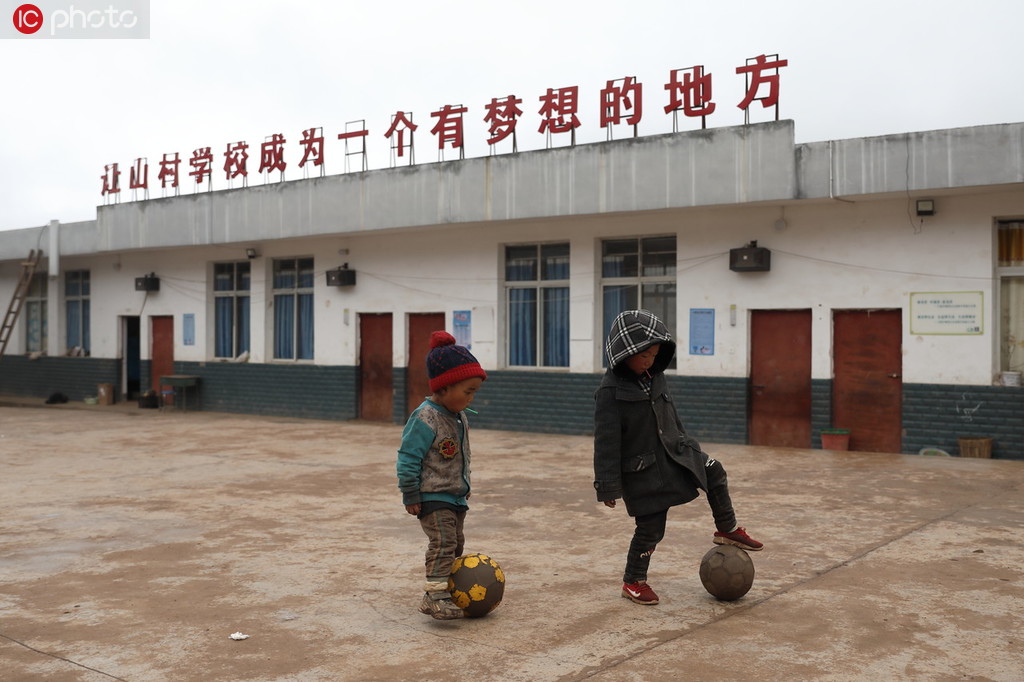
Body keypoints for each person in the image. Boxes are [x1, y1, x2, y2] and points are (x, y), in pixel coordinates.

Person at [593, 309, 763, 606]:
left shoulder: (656, 377)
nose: (649, 361)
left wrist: (689, 445)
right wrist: (607, 486)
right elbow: (606, 443)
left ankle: (727, 528)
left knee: (715, 471)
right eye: (643, 356)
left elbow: (671, 416)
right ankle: (633, 580)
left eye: (654, 355)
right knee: (651, 529)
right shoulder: (610, 393)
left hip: (677, 452)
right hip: (644, 470)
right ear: (623, 353)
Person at [397, 330, 487, 620]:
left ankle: (448, 589)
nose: (472, 397)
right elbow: (408, 457)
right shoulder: (425, 417)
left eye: (475, 391)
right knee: (444, 542)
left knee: (456, 545)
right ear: (445, 387)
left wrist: (465, 485)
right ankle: (434, 596)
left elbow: (461, 456)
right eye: (468, 391)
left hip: (455, 495)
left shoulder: (458, 415)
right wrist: (411, 493)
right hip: (432, 495)